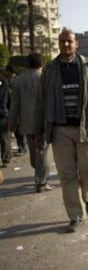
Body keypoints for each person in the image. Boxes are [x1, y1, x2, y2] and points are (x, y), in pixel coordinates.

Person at [34, 28, 88, 233]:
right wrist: (38, 132)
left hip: (85, 127)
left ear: (76, 44)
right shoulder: (50, 70)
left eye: (69, 41)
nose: (65, 45)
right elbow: (41, 102)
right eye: (62, 41)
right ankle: (76, 216)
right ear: (58, 44)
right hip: (60, 130)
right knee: (67, 175)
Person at [9, 53, 52, 193]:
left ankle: (39, 173)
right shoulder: (47, 78)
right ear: (41, 64)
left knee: (34, 152)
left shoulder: (17, 81)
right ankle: (41, 182)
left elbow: (14, 105)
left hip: (26, 122)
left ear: (28, 64)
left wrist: (12, 124)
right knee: (43, 153)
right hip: (45, 122)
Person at [0, 76, 11, 167]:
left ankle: (6, 158)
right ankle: (6, 158)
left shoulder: (5, 89)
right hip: (4, 116)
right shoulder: (6, 89)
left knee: (4, 138)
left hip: (3, 116)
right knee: (5, 139)